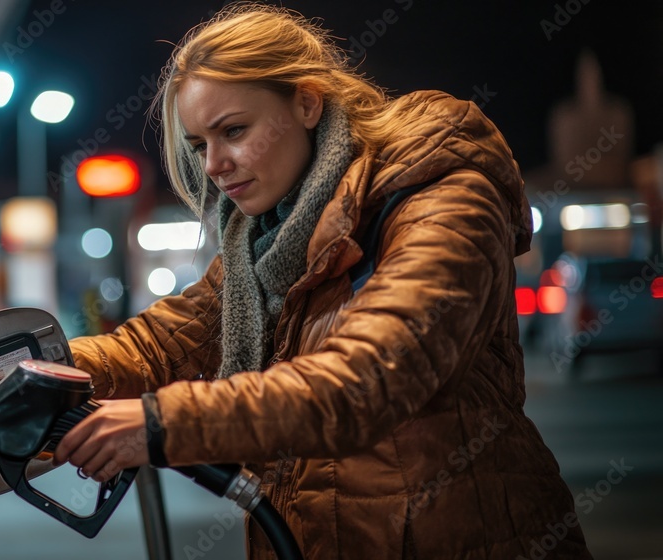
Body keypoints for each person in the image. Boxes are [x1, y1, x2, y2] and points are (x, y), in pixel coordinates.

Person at [53, 4, 591, 559]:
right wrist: (31, 373)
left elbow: (371, 376)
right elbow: (159, 347)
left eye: (233, 130)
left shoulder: (436, 193)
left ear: (307, 102)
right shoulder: (266, 245)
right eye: (198, 145)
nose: (213, 164)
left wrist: (163, 423)